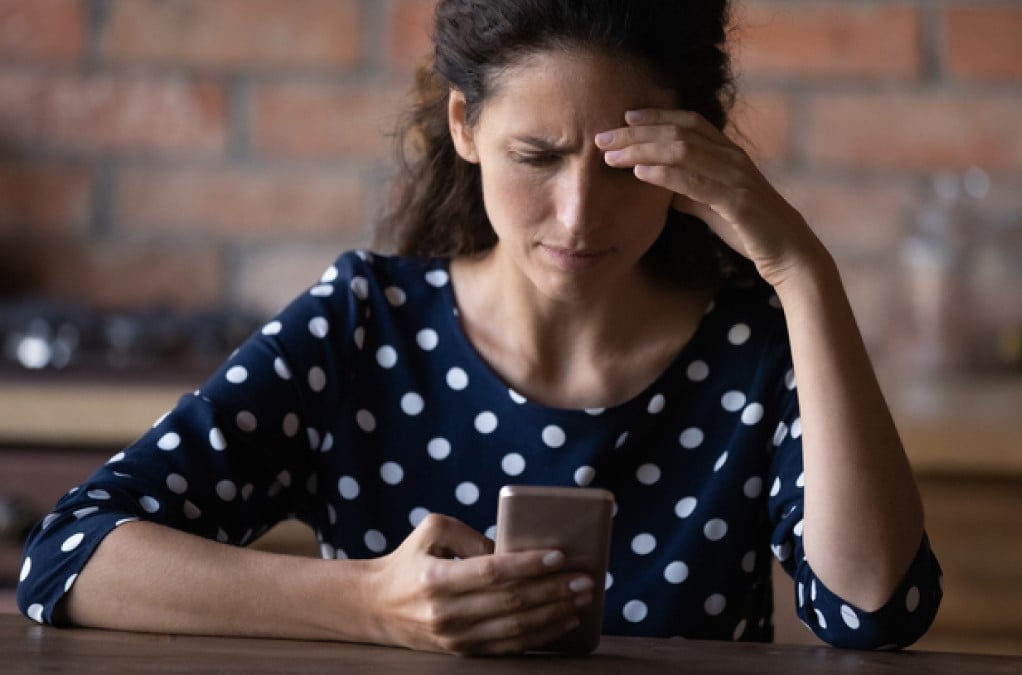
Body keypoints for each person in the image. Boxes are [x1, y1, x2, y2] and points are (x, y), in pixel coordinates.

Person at [17, 0, 941, 655]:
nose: (579, 215)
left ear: (695, 148)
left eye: (623, 167)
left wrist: (800, 269)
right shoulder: (363, 325)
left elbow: (870, 609)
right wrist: (372, 601)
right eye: (537, 156)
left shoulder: (756, 349)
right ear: (464, 124)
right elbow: (70, 557)